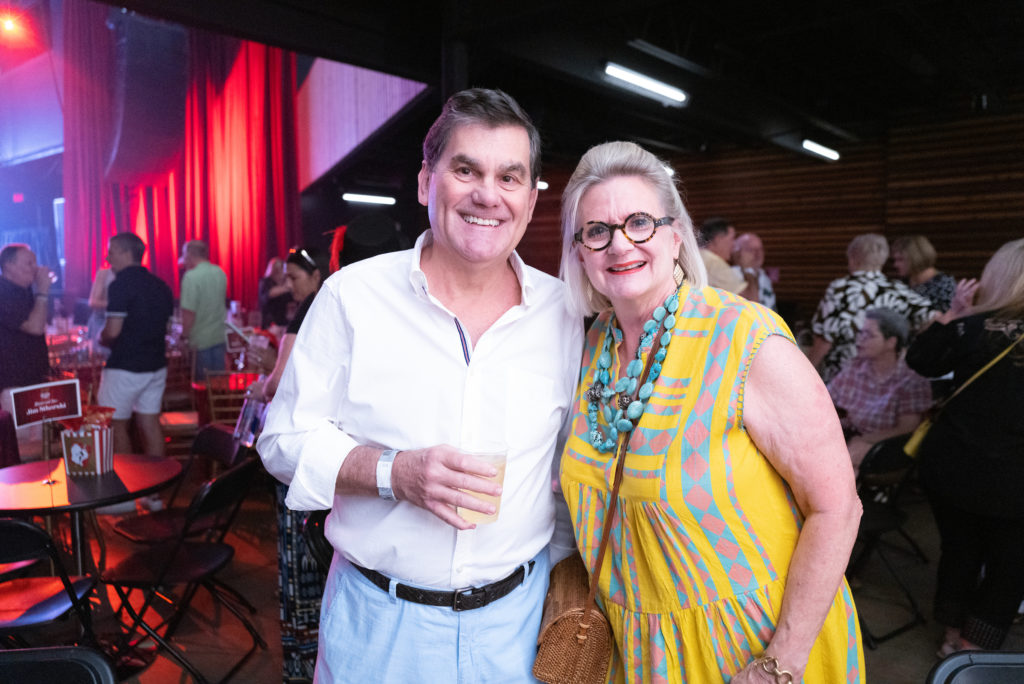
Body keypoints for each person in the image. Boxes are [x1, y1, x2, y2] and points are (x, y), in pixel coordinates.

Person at [257, 88, 583, 682]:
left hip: (518, 625)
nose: (489, 194)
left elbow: (564, 469)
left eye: (511, 177)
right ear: (425, 182)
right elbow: (281, 441)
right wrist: (393, 473)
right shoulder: (352, 297)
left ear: (532, 201)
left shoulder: (564, 313)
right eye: (466, 170)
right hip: (379, 626)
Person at [558, 141, 863, 682]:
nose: (619, 243)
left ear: (676, 236)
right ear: (580, 252)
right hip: (637, 647)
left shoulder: (744, 339)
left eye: (640, 222)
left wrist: (780, 661)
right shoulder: (594, 346)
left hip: (749, 644)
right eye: (597, 231)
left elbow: (837, 509)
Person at [905, 238, 1024, 657]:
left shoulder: (967, 327)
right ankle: (976, 643)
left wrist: (955, 311)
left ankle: (952, 634)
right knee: (1010, 563)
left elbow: (919, 360)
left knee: (959, 548)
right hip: (1015, 476)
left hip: (953, 464)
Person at [251, 245, 331, 682]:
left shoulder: (309, 313)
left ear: (316, 274)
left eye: (296, 277)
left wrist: (264, 379)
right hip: (325, 463)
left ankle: (304, 667)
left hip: (305, 467)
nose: (290, 286)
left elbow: (278, 384)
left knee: (303, 564)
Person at [809, 233, 933, 383]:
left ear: (853, 258)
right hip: (885, 380)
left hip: (844, 380)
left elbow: (824, 340)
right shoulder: (899, 290)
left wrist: (804, 373)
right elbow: (933, 318)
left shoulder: (841, 289)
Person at [96, 233, 174, 457]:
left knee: (114, 424)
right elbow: (166, 328)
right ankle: (155, 489)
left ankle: (130, 487)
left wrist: (101, 338)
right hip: (156, 364)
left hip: (125, 365)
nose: (108, 257)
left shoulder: (120, 285)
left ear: (125, 253)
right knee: (149, 423)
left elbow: (112, 331)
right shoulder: (161, 286)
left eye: (111, 251)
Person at [827, 307, 932, 470]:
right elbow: (826, 401)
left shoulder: (911, 378)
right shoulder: (855, 366)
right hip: (847, 437)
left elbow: (908, 428)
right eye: (861, 333)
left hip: (885, 447)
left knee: (848, 459)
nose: (860, 340)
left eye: (868, 335)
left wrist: (865, 439)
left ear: (891, 342)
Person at [0, 244, 52, 460]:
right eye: (28, 263)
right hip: (15, 381)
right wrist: (42, 293)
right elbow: (34, 327)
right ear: (9, 266)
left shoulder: (23, 291)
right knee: (21, 446)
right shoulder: (4, 292)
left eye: (35, 262)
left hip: (33, 378)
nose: (35, 268)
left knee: (41, 443)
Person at [179, 240, 228, 380]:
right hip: (219, 337)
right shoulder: (220, 272)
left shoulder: (191, 277)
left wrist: (184, 337)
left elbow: (189, 313)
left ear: (189, 255)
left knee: (202, 390)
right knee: (219, 387)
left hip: (200, 342)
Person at [891, 234, 957, 312]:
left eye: (900, 259)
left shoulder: (944, 285)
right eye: (894, 260)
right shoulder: (901, 283)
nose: (895, 265)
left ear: (916, 257)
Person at [697, 217, 758, 300]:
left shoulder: (698, 255)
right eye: (732, 239)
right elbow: (752, 300)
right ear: (718, 240)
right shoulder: (714, 263)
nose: (734, 245)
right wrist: (748, 269)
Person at [731, 231, 777, 310]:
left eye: (760, 249)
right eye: (750, 249)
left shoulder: (764, 276)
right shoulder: (730, 275)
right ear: (737, 253)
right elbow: (751, 306)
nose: (758, 254)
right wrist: (748, 271)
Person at [258, 256, 292, 333]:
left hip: (284, 323)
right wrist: (287, 287)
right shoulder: (265, 282)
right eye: (276, 268)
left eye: (280, 267)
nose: (278, 270)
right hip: (270, 325)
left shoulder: (286, 282)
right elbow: (269, 294)